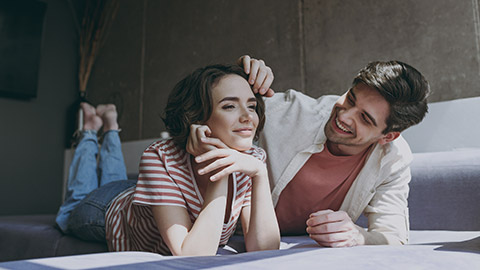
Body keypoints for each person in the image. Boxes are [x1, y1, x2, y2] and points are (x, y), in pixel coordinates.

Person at [188, 56, 430, 247]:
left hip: (263, 243)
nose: (344, 116)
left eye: (364, 119)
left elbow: (392, 235)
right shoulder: (283, 111)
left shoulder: (393, 158)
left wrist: (360, 236)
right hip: (226, 231)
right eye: (350, 99)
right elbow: (209, 110)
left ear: (387, 136)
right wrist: (241, 74)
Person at [55, 64, 280, 256]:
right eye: (229, 106)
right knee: (70, 212)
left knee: (115, 179)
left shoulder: (251, 159)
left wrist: (259, 173)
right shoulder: (161, 156)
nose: (248, 116)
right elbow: (192, 255)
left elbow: (266, 248)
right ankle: (90, 130)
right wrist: (219, 166)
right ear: (197, 117)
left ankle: (111, 126)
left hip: (145, 196)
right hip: (108, 207)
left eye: (251, 106)